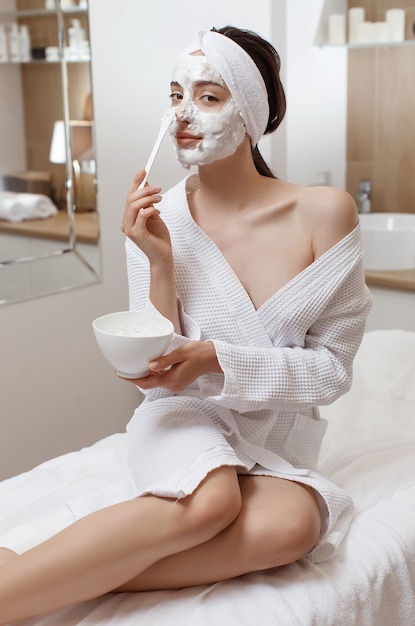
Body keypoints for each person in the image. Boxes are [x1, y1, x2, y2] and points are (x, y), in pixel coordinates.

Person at [0, 25, 371, 624]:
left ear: (250, 109)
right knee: (212, 499)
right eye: (176, 95)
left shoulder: (324, 213)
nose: (183, 115)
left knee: (297, 523)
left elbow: (330, 374)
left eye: (208, 97)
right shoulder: (158, 221)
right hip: (182, 417)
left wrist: (216, 359)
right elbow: (154, 380)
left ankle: (23, 573)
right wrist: (160, 262)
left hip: (276, 436)